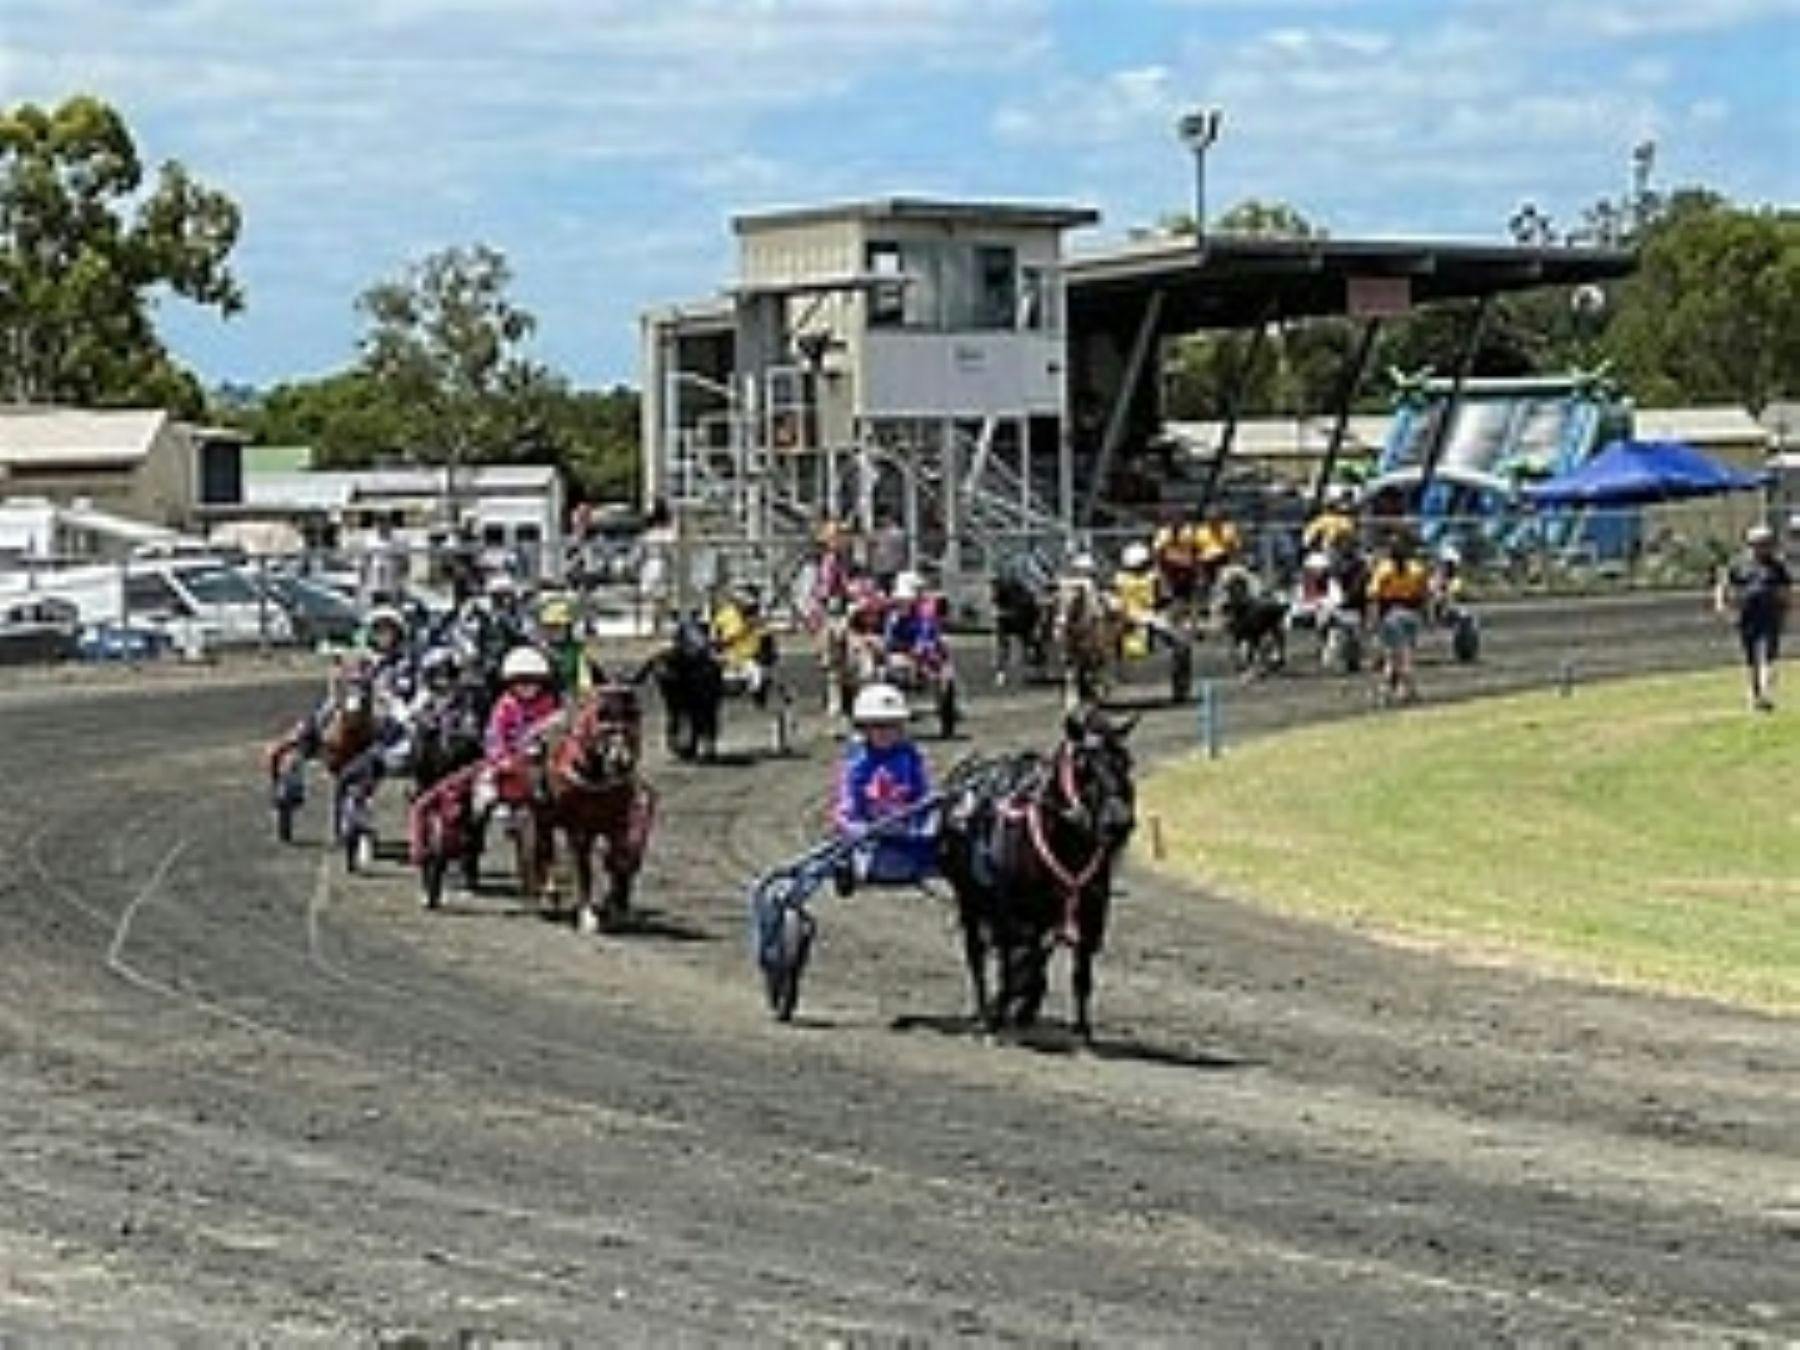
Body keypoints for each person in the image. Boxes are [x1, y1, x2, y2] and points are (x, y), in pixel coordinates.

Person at [832, 682, 934, 894]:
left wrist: (921, 822)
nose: (886, 732)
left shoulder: (910, 756)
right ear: (864, 728)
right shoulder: (857, 763)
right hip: (871, 841)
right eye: (878, 726)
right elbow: (846, 809)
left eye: (893, 726)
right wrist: (860, 829)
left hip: (909, 836)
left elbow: (923, 796)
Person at [1716, 523, 1792, 711]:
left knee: (1769, 656)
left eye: (1767, 543)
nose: (1764, 548)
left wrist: (1787, 608)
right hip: (1747, 615)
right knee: (1751, 658)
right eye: (1760, 544)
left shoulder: (1776, 566)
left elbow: (1785, 590)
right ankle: (1755, 694)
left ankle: (1766, 694)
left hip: (1771, 615)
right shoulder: (1739, 564)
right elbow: (1724, 585)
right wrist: (1723, 605)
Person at [1366, 531, 1431, 705]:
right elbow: (1424, 595)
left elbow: (1374, 596)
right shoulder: (1417, 569)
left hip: (1391, 614)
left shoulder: (1384, 570)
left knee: (1395, 656)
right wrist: (1426, 615)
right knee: (1404, 655)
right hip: (1410, 613)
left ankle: (1393, 691)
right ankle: (1402, 691)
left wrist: (1373, 621)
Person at [711, 582, 774, 704]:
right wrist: (743, 631)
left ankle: (758, 693)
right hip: (729, 659)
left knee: (757, 679)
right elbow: (718, 642)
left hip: (749, 659)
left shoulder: (757, 619)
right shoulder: (725, 616)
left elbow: (766, 641)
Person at [881, 571, 946, 674]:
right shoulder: (893, 617)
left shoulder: (924, 615)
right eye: (900, 601)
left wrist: (923, 648)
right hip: (902, 656)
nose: (902, 603)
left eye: (905, 600)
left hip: (923, 657)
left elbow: (928, 636)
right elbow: (888, 640)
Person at [535, 594, 595, 699]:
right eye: (549, 626)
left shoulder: (576, 649)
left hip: (570, 697)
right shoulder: (538, 650)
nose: (553, 631)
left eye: (558, 626)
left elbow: (584, 678)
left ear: (568, 628)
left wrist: (583, 694)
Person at [1111, 542, 1163, 658]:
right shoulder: (1121, 578)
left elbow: (1159, 597)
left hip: (1148, 614)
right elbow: (1115, 600)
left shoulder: (1152, 576)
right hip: (1128, 615)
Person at [1193, 502, 1242, 596]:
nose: (1213, 518)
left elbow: (1236, 549)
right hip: (1206, 562)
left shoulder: (1229, 529)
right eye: (1210, 516)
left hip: (1225, 560)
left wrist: (1233, 561)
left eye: (1215, 515)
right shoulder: (1200, 531)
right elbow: (1196, 551)